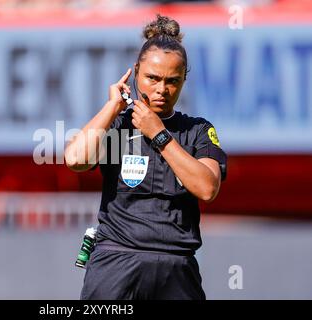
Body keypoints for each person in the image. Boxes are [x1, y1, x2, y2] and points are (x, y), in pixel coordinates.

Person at [64, 14, 227, 300]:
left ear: (184, 79)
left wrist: (160, 134)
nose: (161, 89)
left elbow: (207, 188)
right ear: (136, 72)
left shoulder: (198, 130)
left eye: (172, 81)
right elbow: (75, 159)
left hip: (176, 267)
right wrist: (112, 107)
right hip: (117, 261)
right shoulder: (117, 124)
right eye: (152, 78)